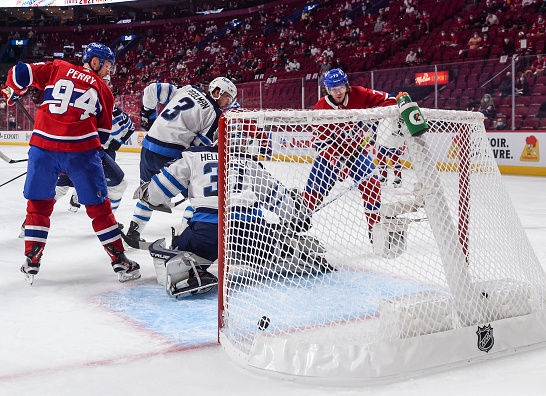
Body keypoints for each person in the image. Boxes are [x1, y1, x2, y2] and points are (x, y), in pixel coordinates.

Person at [1, 42, 140, 284]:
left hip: (43, 147)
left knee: (38, 205)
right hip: (81, 151)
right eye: (107, 66)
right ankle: (119, 260)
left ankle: (32, 259)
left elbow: (19, 71)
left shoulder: (58, 67)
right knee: (100, 208)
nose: (109, 71)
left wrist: (14, 90)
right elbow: (104, 135)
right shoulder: (104, 90)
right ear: (94, 62)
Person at [134, 131, 331, 298]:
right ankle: (293, 250)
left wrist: (148, 193)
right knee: (272, 248)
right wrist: (296, 216)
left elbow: (162, 186)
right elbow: (275, 196)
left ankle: (188, 274)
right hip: (252, 233)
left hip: (209, 231)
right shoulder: (250, 163)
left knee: (175, 254)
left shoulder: (194, 155)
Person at [123, 77, 237, 246]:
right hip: (170, 154)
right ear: (217, 92)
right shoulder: (215, 115)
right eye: (227, 98)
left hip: (148, 147)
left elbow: (152, 89)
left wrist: (148, 114)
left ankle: (133, 232)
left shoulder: (188, 89)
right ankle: (183, 239)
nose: (227, 104)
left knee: (148, 192)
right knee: (200, 198)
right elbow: (196, 150)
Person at [301, 68, 397, 244]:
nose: (338, 92)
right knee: (312, 194)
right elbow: (321, 144)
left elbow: (387, 99)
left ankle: (374, 229)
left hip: (357, 153)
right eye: (333, 89)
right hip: (331, 155)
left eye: (341, 87)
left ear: (346, 85)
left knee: (372, 185)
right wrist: (338, 163)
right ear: (327, 89)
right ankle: (297, 222)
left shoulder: (359, 94)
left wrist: (398, 104)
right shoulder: (320, 109)